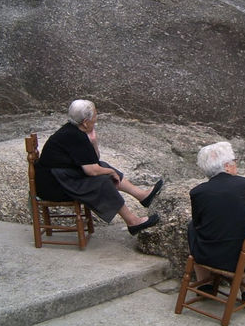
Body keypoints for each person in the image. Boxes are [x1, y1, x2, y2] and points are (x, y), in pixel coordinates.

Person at [35, 99, 163, 235]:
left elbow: (94, 161)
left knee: (103, 167)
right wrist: (111, 172)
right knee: (102, 181)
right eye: (95, 115)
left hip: (63, 176)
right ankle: (133, 222)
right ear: (85, 122)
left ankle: (142, 196)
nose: (96, 119)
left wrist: (94, 142)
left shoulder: (74, 130)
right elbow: (91, 170)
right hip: (54, 185)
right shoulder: (74, 136)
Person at [187, 141, 245, 301]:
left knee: (192, 228)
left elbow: (198, 221)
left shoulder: (198, 192)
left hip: (213, 257)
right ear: (227, 167)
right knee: (241, 229)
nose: (236, 165)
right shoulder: (244, 184)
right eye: (235, 162)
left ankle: (205, 284)